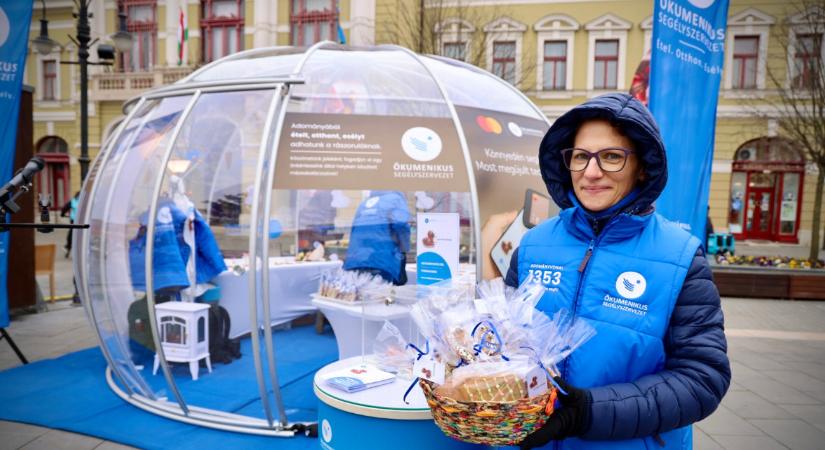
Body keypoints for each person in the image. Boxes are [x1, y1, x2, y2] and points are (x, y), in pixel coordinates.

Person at [503, 93, 730, 449]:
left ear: (642, 166)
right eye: (580, 157)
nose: (592, 173)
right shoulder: (533, 246)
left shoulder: (681, 256)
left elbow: (702, 379)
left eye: (611, 157)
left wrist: (590, 413)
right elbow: (505, 345)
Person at [343, 190, 411, 285]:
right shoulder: (396, 199)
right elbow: (401, 225)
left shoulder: (364, 203)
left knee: (363, 295)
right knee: (382, 296)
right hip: (382, 261)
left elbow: (354, 230)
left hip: (356, 260)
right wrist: (405, 249)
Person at [60, 191, 80, 258]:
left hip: (74, 220)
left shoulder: (73, 201)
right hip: (79, 220)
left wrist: (62, 214)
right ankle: (68, 246)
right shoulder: (83, 201)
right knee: (74, 234)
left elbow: (64, 208)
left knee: (71, 234)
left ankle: (68, 246)